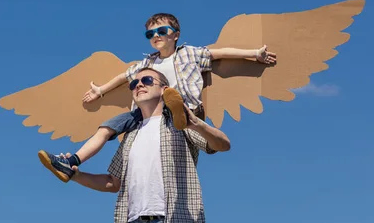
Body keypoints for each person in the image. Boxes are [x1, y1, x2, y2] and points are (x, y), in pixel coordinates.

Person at [39, 12, 274, 182]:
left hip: (185, 109)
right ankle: (71, 162)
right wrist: (101, 90)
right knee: (107, 128)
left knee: (183, 115)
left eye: (162, 31)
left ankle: (178, 113)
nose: (156, 36)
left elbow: (220, 53)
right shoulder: (147, 63)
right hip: (144, 115)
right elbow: (124, 76)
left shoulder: (190, 54)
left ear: (176, 35)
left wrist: (255, 54)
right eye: (151, 33)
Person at [69, 67, 231, 223]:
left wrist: (195, 123)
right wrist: (76, 175)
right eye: (133, 84)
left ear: (164, 89)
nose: (139, 86)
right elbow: (112, 182)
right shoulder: (130, 136)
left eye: (146, 80)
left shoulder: (179, 123)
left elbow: (222, 145)